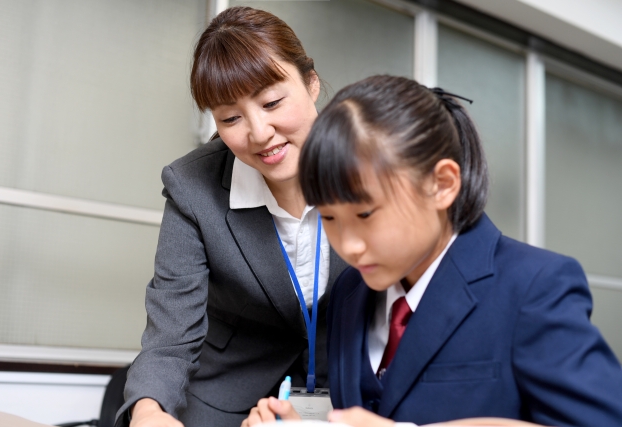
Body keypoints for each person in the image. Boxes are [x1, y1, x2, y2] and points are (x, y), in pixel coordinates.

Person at [243, 75, 622, 427]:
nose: (350, 245)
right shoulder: (348, 292)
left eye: (365, 213)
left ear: (442, 184)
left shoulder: (532, 286)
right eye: (329, 218)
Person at [115, 7, 348, 427]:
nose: (259, 133)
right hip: (224, 396)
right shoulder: (192, 185)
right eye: (231, 118)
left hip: (353, 393)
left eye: (273, 102)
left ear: (311, 83)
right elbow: (171, 333)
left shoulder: (371, 161)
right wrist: (149, 410)